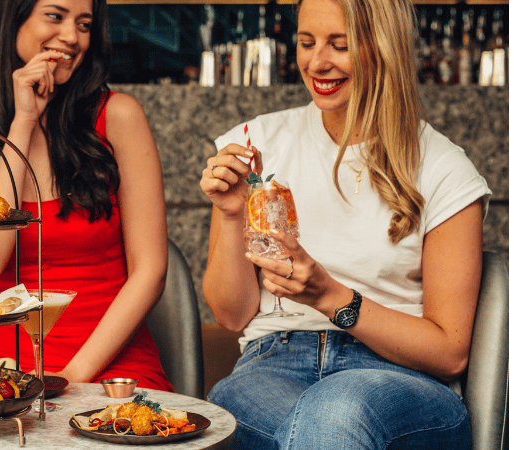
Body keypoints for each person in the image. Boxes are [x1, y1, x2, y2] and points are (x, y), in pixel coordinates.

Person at [198, 0, 489, 448]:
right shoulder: (256, 144)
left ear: (382, 47)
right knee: (308, 422)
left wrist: (331, 296)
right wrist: (231, 212)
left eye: (340, 44)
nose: (317, 62)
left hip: (397, 377)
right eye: (306, 42)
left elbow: (450, 352)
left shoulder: (444, 168)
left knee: (336, 411)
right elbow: (232, 314)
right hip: (273, 361)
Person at [0, 0, 172, 391]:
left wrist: (70, 378)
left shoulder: (118, 116)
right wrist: (23, 123)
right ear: (12, 21)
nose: (72, 37)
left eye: (84, 24)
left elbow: (150, 273)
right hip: (0, 363)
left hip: (107, 362)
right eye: (55, 16)